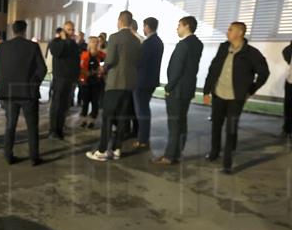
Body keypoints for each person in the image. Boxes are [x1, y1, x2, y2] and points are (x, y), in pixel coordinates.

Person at [202, 21, 270, 174]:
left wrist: (250, 90)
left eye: (230, 29)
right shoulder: (223, 48)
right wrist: (207, 92)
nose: (227, 31)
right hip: (218, 94)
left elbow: (264, 73)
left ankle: (227, 163)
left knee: (231, 128)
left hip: (236, 98)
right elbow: (213, 69)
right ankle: (214, 152)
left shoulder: (251, 53)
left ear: (240, 33)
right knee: (216, 125)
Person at [86, 11, 142, 162]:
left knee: (108, 117)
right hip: (130, 84)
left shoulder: (115, 37)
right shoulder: (136, 40)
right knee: (123, 117)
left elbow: (109, 60)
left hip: (115, 83)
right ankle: (117, 149)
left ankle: (102, 150)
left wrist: (102, 69)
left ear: (120, 21)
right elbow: (138, 62)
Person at [0, 19, 47, 165]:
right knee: (32, 126)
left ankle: (8, 155)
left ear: (13, 30)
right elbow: (42, 69)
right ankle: (34, 157)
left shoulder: (2, 47)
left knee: (10, 125)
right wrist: (33, 84)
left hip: (8, 92)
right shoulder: (32, 46)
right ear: (25, 30)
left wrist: (4, 82)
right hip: (27, 93)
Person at [153, 16, 204, 165]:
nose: (177, 28)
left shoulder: (183, 45)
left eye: (179, 25)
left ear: (186, 26)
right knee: (182, 121)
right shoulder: (198, 44)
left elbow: (177, 69)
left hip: (177, 90)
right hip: (188, 89)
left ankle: (169, 156)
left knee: (174, 124)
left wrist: (168, 87)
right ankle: (178, 153)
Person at [133, 17, 164, 149]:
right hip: (151, 80)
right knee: (145, 109)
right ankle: (143, 137)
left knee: (142, 111)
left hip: (142, 81)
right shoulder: (159, 42)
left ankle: (142, 139)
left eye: (144, 26)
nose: (143, 29)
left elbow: (140, 62)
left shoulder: (147, 43)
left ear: (147, 26)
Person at [48, 20, 81, 140]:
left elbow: (76, 60)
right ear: (63, 30)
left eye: (72, 29)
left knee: (64, 106)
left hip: (70, 79)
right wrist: (63, 39)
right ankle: (53, 130)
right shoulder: (56, 42)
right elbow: (57, 52)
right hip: (60, 78)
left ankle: (60, 128)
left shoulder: (72, 43)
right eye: (69, 29)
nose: (71, 32)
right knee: (56, 105)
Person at [78, 36, 105, 128]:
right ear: (89, 43)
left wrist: (101, 70)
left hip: (97, 83)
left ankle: (92, 120)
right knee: (85, 102)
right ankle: (83, 120)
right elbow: (81, 68)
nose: (95, 43)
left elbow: (106, 65)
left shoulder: (101, 55)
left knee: (95, 102)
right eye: (93, 42)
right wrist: (89, 73)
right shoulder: (84, 55)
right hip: (85, 82)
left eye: (97, 42)